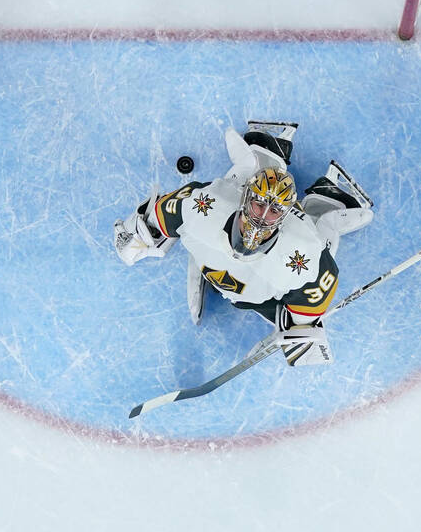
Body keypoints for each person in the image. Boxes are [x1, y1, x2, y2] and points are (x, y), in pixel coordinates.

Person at [112, 122, 374, 365]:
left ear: (283, 217)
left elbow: (320, 288)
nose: (261, 218)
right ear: (246, 198)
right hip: (232, 269)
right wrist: (137, 236)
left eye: (273, 212)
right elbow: (159, 215)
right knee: (238, 179)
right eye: (259, 204)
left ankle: (328, 205)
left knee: (320, 234)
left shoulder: (305, 255)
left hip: (258, 298)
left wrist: (299, 331)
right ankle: (265, 152)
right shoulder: (202, 204)